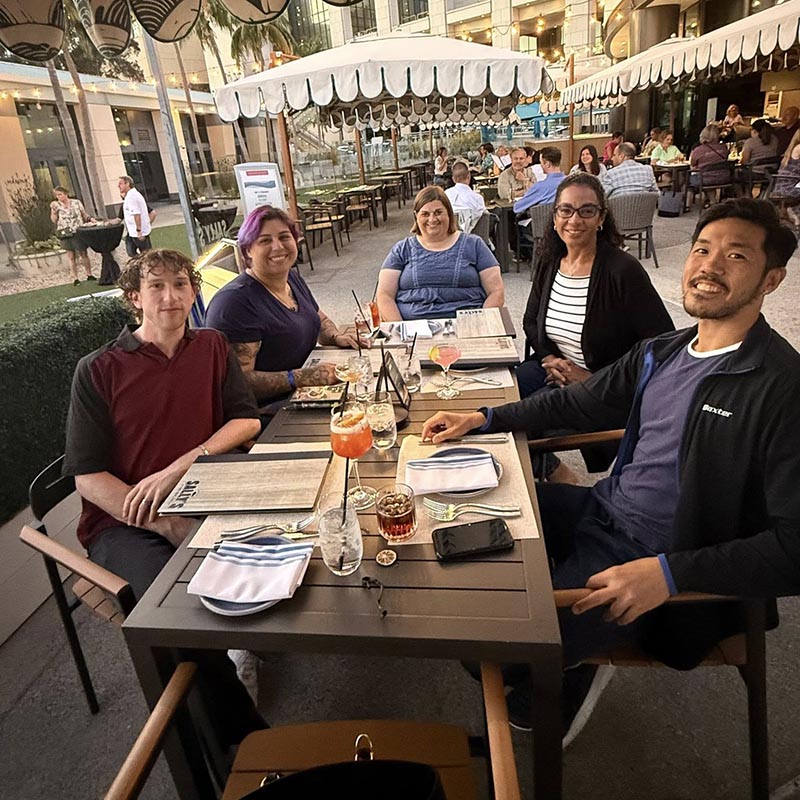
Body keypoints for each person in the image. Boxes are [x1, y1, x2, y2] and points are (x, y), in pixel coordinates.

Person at [422, 198, 800, 740]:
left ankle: (561, 675)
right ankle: (569, 654)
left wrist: (670, 574)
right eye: (702, 249)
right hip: (600, 509)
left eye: (736, 256)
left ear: (772, 280)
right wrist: (483, 417)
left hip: (659, 554)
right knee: (453, 526)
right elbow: (576, 403)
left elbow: (794, 547)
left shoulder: (782, 387)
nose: (709, 266)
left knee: (497, 647)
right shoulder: (662, 352)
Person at [63, 247, 267, 749]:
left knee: (298, 546)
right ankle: (246, 747)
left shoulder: (213, 346)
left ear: (194, 292)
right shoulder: (98, 369)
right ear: (134, 297)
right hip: (124, 521)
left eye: (181, 284)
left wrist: (183, 463)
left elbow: (246, 420)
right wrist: (162, 521)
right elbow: (87, 477)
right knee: (176, 622)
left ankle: (246, 646)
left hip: (207, 492)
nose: (171, 296)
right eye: (156, 286)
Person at [517, 173, 673, 479]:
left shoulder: (622, 271)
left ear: (601, 218)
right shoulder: (551, 260)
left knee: (516, 424)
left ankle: (557, 474)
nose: (574, 220)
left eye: (586, 211)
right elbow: (530, 322)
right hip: (553, 368)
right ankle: (547, 467)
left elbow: (662, 346)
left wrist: (592, 379)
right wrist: (550, 359)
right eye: (566, 210)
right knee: (496, 394)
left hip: (604, 385)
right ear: (555, 216)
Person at [205, 205, 362, 406]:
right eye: (265, 240)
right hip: (270, 414)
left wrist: (335, 336)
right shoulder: (234, 304)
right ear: (247, 251)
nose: (278, 247)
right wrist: (300, 377)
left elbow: (319, 318)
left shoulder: (292, 279)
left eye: (284, 237)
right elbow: (237, 384)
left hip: (311, 395)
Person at [376, 185, 504, 320]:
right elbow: (384, 294)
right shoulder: (402, 249)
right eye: (425, 214)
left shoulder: (474, 244)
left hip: (467, 326)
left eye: (438, 212)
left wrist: (479, 324)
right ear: (416, 216)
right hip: (413, 330)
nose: (432, 219)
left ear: (449, 213)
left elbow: (496, 291)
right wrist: (401, 330)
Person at [50, 186, 96, 286]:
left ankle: (89, 274)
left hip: (78, 230)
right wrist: (54, 213)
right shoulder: (55, 205)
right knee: (71, 255)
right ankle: (75, 278)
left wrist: (90, 219)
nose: (59, 197)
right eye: (57, 195)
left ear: (66, 194)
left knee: (83, 252)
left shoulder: (76, 202)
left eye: (60, 194)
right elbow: (54, 220)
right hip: (65, 232)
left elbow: (83, 214)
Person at [513, 146, 565, 214]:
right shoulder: (571, 182)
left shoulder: (540, 187)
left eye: (541, 163)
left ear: (547, 164)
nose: (540, 166)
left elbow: (517, 208)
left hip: (542, 222)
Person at [689, 124, 730, 208]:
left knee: (691, 177)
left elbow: (693, 163)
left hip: (705, 179)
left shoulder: (698, 150)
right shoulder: (724, 148)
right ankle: (711, 201)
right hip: (724, 177)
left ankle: (688, 204)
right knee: (710, 175)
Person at [118, 176, 153, 256]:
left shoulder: (132, 197)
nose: (118, 186)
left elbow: (137, 214)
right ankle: (139, 264)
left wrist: (139, 230)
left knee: (147, 254)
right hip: (131, 232)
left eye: (121, 184)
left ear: (128, 184)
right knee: (131, 251)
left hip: (138, 232)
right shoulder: (129, 196)